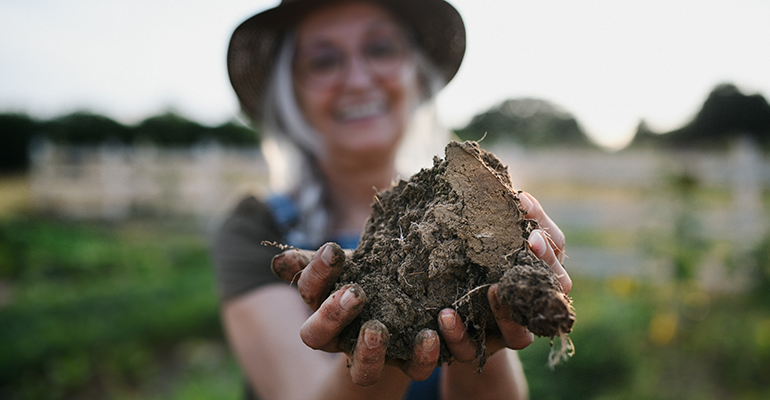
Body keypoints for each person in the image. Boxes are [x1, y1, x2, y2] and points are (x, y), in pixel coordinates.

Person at [213, 0, 572, 399]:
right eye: (323, 61)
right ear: (291, 92)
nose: (357, 79)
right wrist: (382, 342)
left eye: (381, 49)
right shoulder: (256, 228)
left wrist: (485, 329)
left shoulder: (467, 212)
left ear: (416, 74)